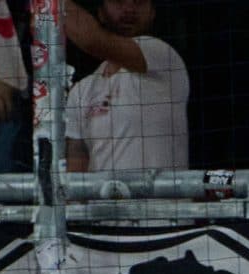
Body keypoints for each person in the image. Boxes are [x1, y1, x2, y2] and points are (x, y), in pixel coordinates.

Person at [63, 0, 191, 173]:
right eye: (119, 1)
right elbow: (76, 171)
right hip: (101, 200)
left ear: (152, 12)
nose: (129, 8)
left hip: (162, 200)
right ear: (100, 12)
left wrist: (49, 3)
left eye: (139, 2)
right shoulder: (81, 90)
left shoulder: (164, 56)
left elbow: (92, 40)